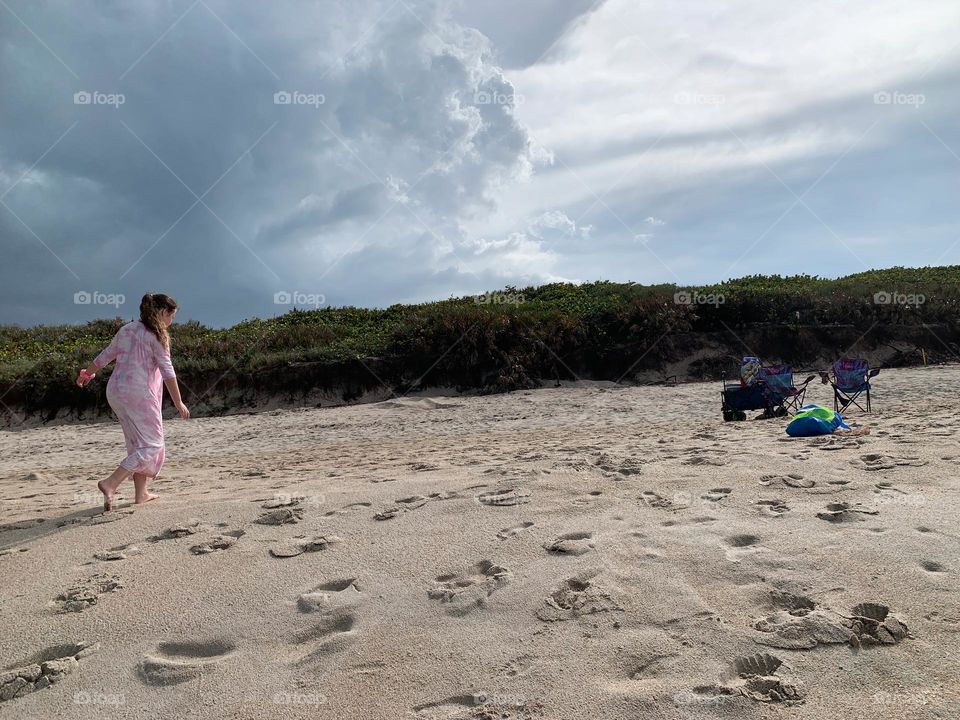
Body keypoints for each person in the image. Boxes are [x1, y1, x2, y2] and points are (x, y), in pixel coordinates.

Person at [77, 293, 190, 510]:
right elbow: (168, 372)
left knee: (137, 444)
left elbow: (105, 355)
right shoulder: (158, 336)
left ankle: (141, 494)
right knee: (152, 445)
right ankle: (110, 483)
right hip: (139, 395)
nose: (171, 321)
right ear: (163, 312)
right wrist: (178, 402)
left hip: (116, 392)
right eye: (172, 316)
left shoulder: (127, 329)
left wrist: (87, 374)